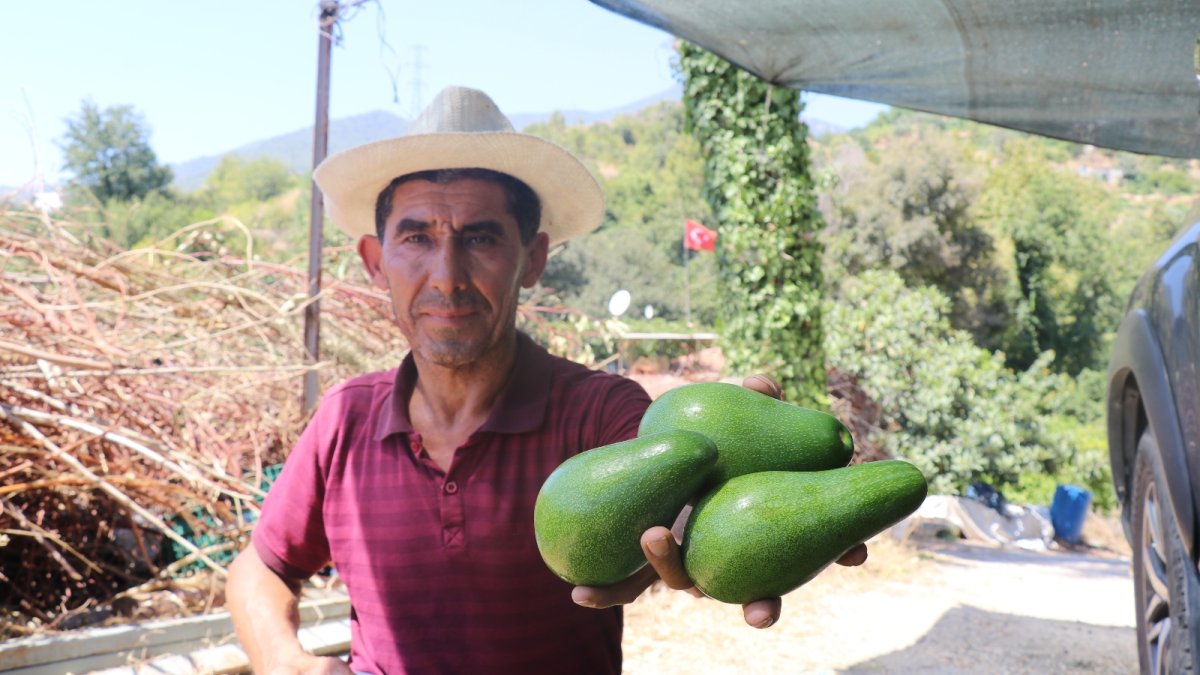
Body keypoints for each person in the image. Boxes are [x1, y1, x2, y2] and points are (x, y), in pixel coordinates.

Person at [226, 86, 867, 675]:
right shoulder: (344, 420)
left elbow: (685, 475)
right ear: (375, 260)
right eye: (416, 237)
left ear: (533, 258)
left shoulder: (595, 412)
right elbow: (262, 566)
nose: (446, 276)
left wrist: (753, 486)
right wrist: (284, 661)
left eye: (481, 237)